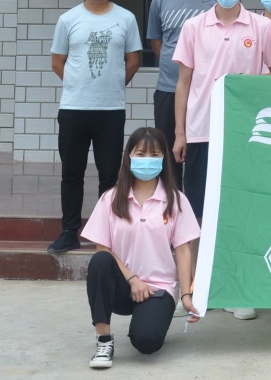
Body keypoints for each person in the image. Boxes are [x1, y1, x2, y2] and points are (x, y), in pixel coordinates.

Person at [172, 0, 271, 320]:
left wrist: (251, 89)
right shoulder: (194, 27)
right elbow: (183, 83)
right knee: (197, 213)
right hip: (201, 131)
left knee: (239, 210)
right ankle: (194, 289)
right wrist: (180, 133)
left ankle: (235, 287)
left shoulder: (260, 27)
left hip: (243, 134)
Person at [81, 127, 200, 369]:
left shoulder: (176, 200)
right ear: (129, 157)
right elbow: (103, 249)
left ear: (164, 159)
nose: (147, 160)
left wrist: (186, 295)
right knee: (100, 262)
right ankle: (103, 341)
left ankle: (149, 319)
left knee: (147, 342)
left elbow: (183, 250)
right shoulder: (111, 199)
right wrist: (133, 279)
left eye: (155, 155)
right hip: (123, 286)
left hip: (159, 288)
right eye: (141, 154)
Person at [48, 0, 142, 255]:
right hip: (73, 109)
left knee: (110, 175)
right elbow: (57, 62)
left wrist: (112, 85)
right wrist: (79, 85)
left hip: (110, 110)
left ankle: (108, 233)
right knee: (71, 173)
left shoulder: (126, 18)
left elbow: (134, 60)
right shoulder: (68, 19)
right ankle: (69, 232)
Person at [145, 0, 215, 190]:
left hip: (204, 90)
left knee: (200, 151)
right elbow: (157, 42)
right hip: (168, 88)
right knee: (168, 151)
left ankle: (197, 206)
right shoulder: (161, 0)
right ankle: (171, 204)